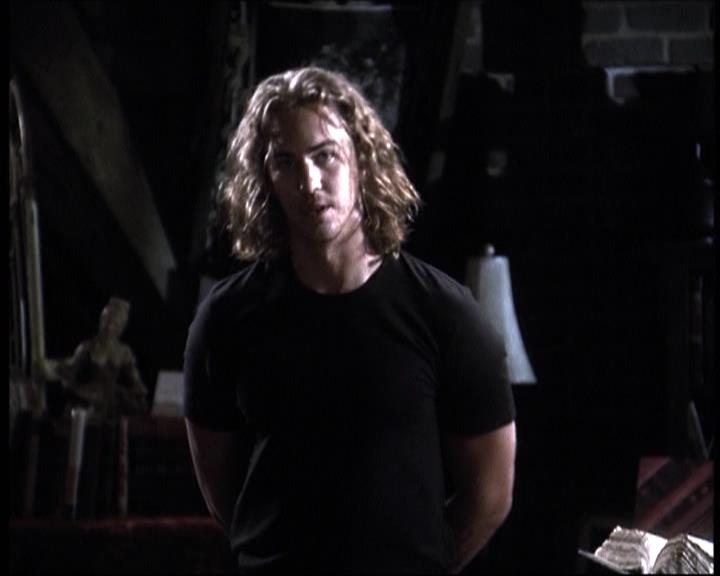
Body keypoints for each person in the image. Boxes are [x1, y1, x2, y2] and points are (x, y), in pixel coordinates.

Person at [184, 67, 516, 573]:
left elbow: (490, 495)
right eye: (285, 162)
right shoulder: (226, 319)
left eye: (325, 156)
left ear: (362, 159)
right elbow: (223, 496)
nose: (309, 182)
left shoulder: (444, 313)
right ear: (266, 178)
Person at [45, 297, 149, 419]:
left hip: (110, 403)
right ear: (101, 321)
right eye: (106, 321)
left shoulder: (124, 352)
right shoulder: (88, 346)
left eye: (115, 324)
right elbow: (71, 367)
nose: (109, 327)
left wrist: (139, 392)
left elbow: (135, 380)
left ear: (121, 327)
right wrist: (53, 367)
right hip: (89, 398)